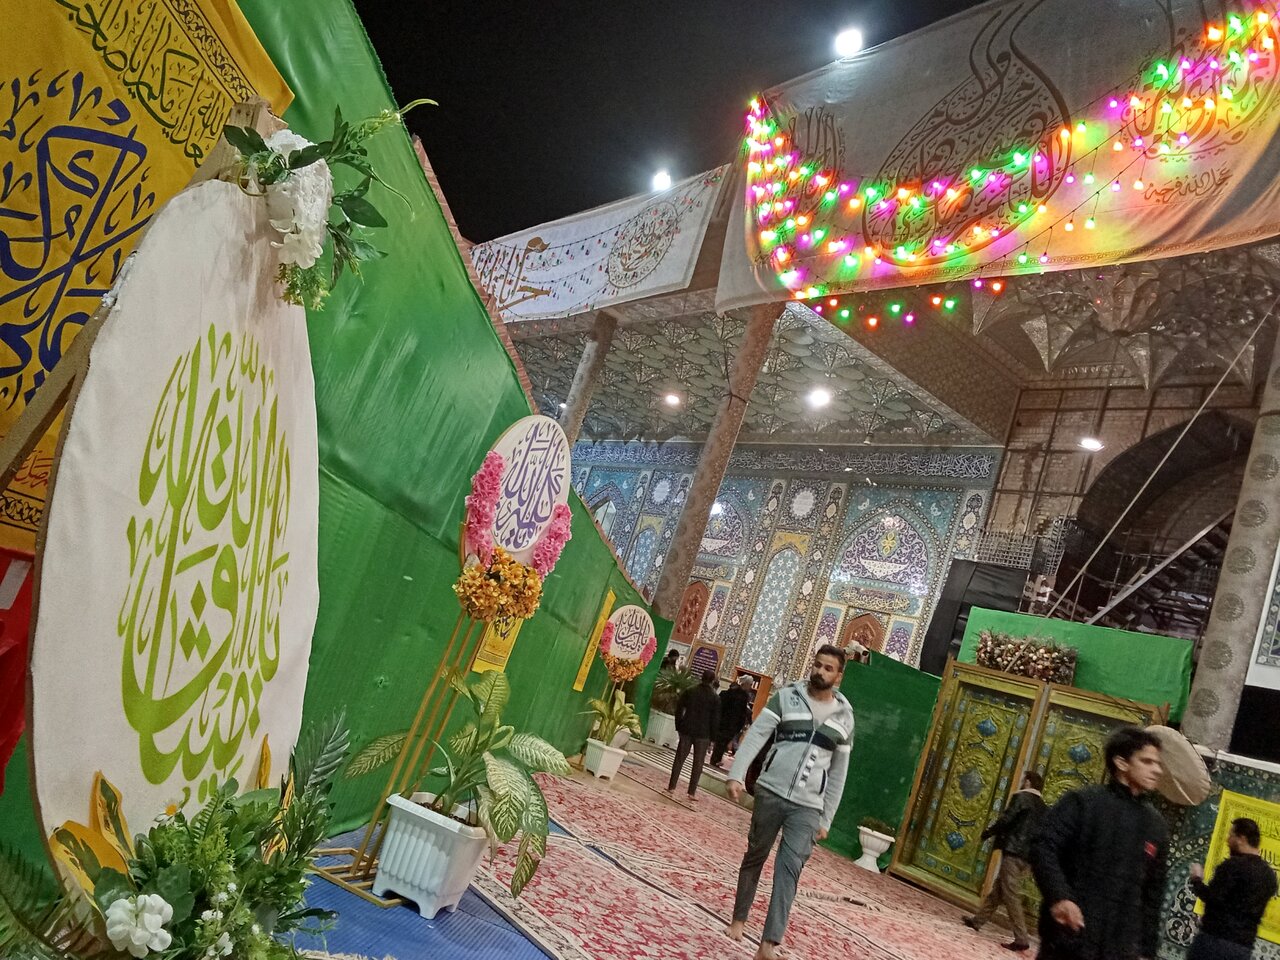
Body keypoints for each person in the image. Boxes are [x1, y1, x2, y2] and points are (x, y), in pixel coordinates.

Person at [724, 645, 855, 960]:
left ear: (838, 676)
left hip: (808, 807)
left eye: (828, 668)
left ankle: (769, 944)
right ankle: (739, 918)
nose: (820, 672)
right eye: (818, 665)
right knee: (755, 855)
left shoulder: (845, 718)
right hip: (771, 792)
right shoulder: (786, 698)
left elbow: (839, 772)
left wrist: (826, 818)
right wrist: (736, 774)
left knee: (789, 870)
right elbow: (757, 735)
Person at [1029, 726, 1168, 960]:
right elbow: (1043, 846)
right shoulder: (1083, 803)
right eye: (1147, 761)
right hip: (1071, 936)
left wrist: (1147, 950)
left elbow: (1154, 892)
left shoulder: (1156, 825)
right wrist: (1060, 897)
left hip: (1119, 949)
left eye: (1158, 764)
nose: (1156, 770)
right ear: (1121, 763)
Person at [963, 771, 1046, 952]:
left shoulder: (1022, 798)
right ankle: (978, 921)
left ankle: (1021, 938)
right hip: (1028, 857)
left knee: (1010, 894)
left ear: (1028, 782)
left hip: (1013, 852)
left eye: (1023, 780)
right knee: (999, 890)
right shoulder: (1043, 807)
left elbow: (1007, 819)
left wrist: (988, 833)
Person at [1186, 817, 1277, 960]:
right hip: (1242, 949)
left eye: (1231, 835)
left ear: (1242, 839)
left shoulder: (1232, 866)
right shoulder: (1269, 876)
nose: (1227, 840)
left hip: (1214, 943)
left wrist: (1196, 879)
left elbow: (1212, 897)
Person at [664, 669, 719, 801]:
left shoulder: (690, 691)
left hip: (687, 729)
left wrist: (679, 725)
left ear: (701, 677)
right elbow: (715, 719)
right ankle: (691, 792)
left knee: (679, 759)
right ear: (713, 681)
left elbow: (679, 709)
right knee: (698, 763)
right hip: (703, 734)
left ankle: (671, 786)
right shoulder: (715, 698)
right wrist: (713, 739)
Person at [710, 675, 754, 768]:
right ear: (746, 684)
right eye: (750, 684)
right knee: (722, 742)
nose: (750, 687)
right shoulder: (742, 696)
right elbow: (741, 713)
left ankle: (716, 759)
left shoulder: (732, 693)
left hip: (725, 722)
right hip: (731, 724)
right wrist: (739, 726)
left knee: (721, 742)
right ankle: (715, 760)